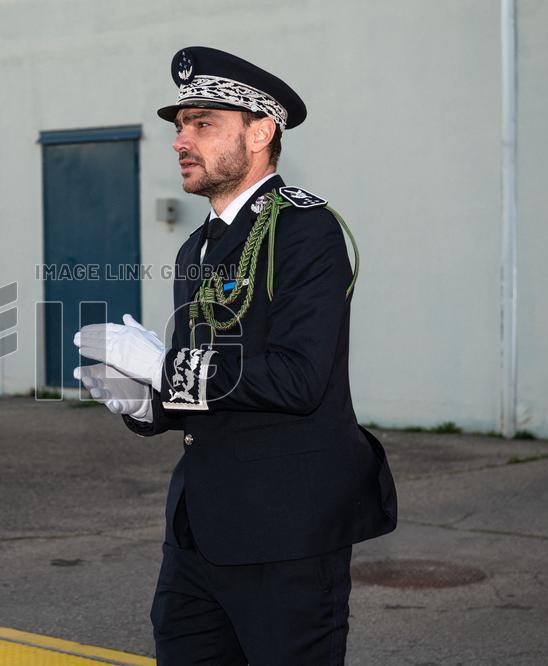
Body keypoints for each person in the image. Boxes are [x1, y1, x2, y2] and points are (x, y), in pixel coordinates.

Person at [74, 46, 397, 665]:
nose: (180, 141)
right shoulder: (198, 246)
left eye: (203, 124)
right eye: (179, 126)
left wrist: (162, 368)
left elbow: (299, 379)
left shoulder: (305, 229)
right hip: (200, 532)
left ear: (261, 132)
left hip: (286, 532)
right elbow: (214, 384)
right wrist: (146, 405)